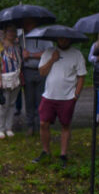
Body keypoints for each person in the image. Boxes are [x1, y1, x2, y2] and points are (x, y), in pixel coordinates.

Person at [34, 36, 86, 167]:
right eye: (61, 39)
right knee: (43, 123)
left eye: (66, 39)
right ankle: (46, 151)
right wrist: (52, 60)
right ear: (57, 39)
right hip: (49, 96)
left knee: (65, 125)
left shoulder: (77, 54)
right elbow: (41, 72)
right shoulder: (49, 52)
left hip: (67, 97)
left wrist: (76, 95)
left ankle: (63, 154)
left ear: (70, 39)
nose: (63, 41)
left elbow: (81, 76)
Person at [20, 18, 52, 136]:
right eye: (25, 23)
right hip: (27, 71)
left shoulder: (43, 36)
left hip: (41, 70)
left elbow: (49, 52)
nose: (27, 24)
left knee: (41, 99)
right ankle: (30, 125)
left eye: (29, 22)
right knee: (29, 100)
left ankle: (40, 125)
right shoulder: (21, 38)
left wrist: (31, 55)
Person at [0, 27, 24, 139]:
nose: (12, 33)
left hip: (15, 79)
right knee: (2, 105)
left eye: (14, 31)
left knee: (11, 104)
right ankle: (0, 129)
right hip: (2, 79)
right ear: (5, 33)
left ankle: (8, 128)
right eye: (10, 31)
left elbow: (19, 63)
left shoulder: (17, 46)